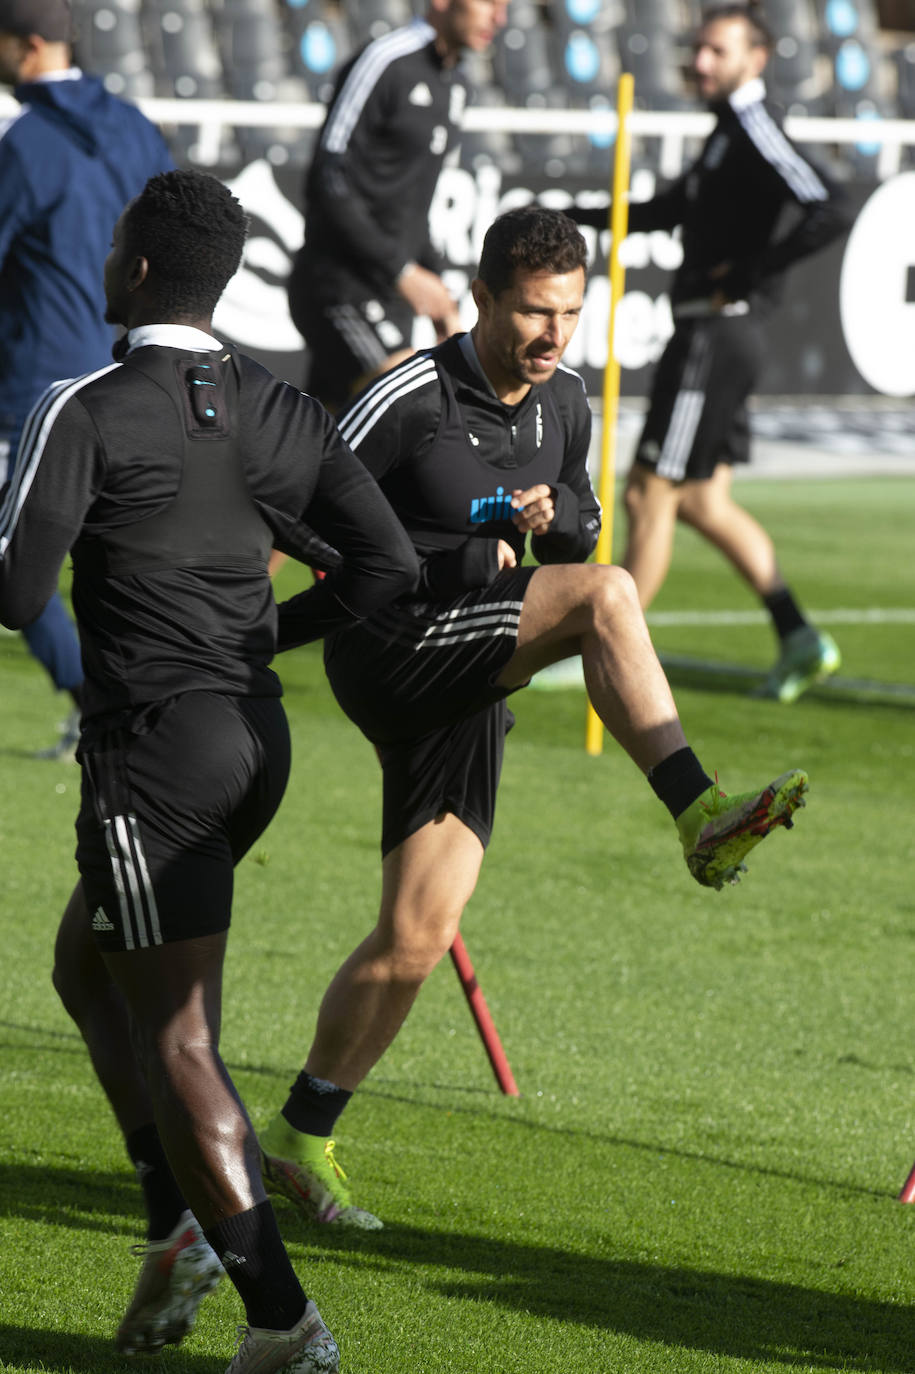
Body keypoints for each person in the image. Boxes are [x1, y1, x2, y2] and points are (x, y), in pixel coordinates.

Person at [257, 205, 809, 1231]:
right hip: (387, 647)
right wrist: (242, 633)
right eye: (531, 312)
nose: (553, 335)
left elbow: (578, 526)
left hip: (472, 674)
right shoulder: (411, 394)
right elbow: (293, 498)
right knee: (608, 597)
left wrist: (561, 523)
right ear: (481, 300)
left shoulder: (564, 411)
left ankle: (298, 1135)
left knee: (417, 934)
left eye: (568, 311)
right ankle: (698, 814)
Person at [0, 169, 419, 1372]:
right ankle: (171, 1220)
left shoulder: (80, 405)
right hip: (256, 742)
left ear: (128, 268)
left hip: (154, 759)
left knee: (180, 1040)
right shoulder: (282, 407)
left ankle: (281, 1321)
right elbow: (384, 574)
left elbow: (17, 593)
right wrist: (252, 642)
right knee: (89, 966)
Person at [575, 2, 852, 704]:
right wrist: (575, 217)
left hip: (713, 333)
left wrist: (756, 270)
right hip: (713, 332)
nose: (699, 63)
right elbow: (674, 210)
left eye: (716, 52)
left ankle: (605, 647)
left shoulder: (756, 125)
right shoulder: (727, 131)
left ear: (754, 60)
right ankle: (798, 637)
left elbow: (830, 203)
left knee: (647, 493)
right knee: (700, 499)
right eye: (696, 50)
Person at [0, 0, 173, 756]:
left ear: (28, 46)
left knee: (14, 559)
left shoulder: (25, 142)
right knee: (126, 560)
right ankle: (153, 711)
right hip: (134, 375)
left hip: (33, 386)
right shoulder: (136, 126)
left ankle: (94, 701)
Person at [286, 0, 508, 414]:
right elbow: (327, 176)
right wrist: (402, 271)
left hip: (391, 296)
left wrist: (437, 287)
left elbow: (412, 204)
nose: (499, 18)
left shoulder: (457, 85)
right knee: (415, 403)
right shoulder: (386, 60)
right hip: (338, 286)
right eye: (489, 3)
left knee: (329, 452)